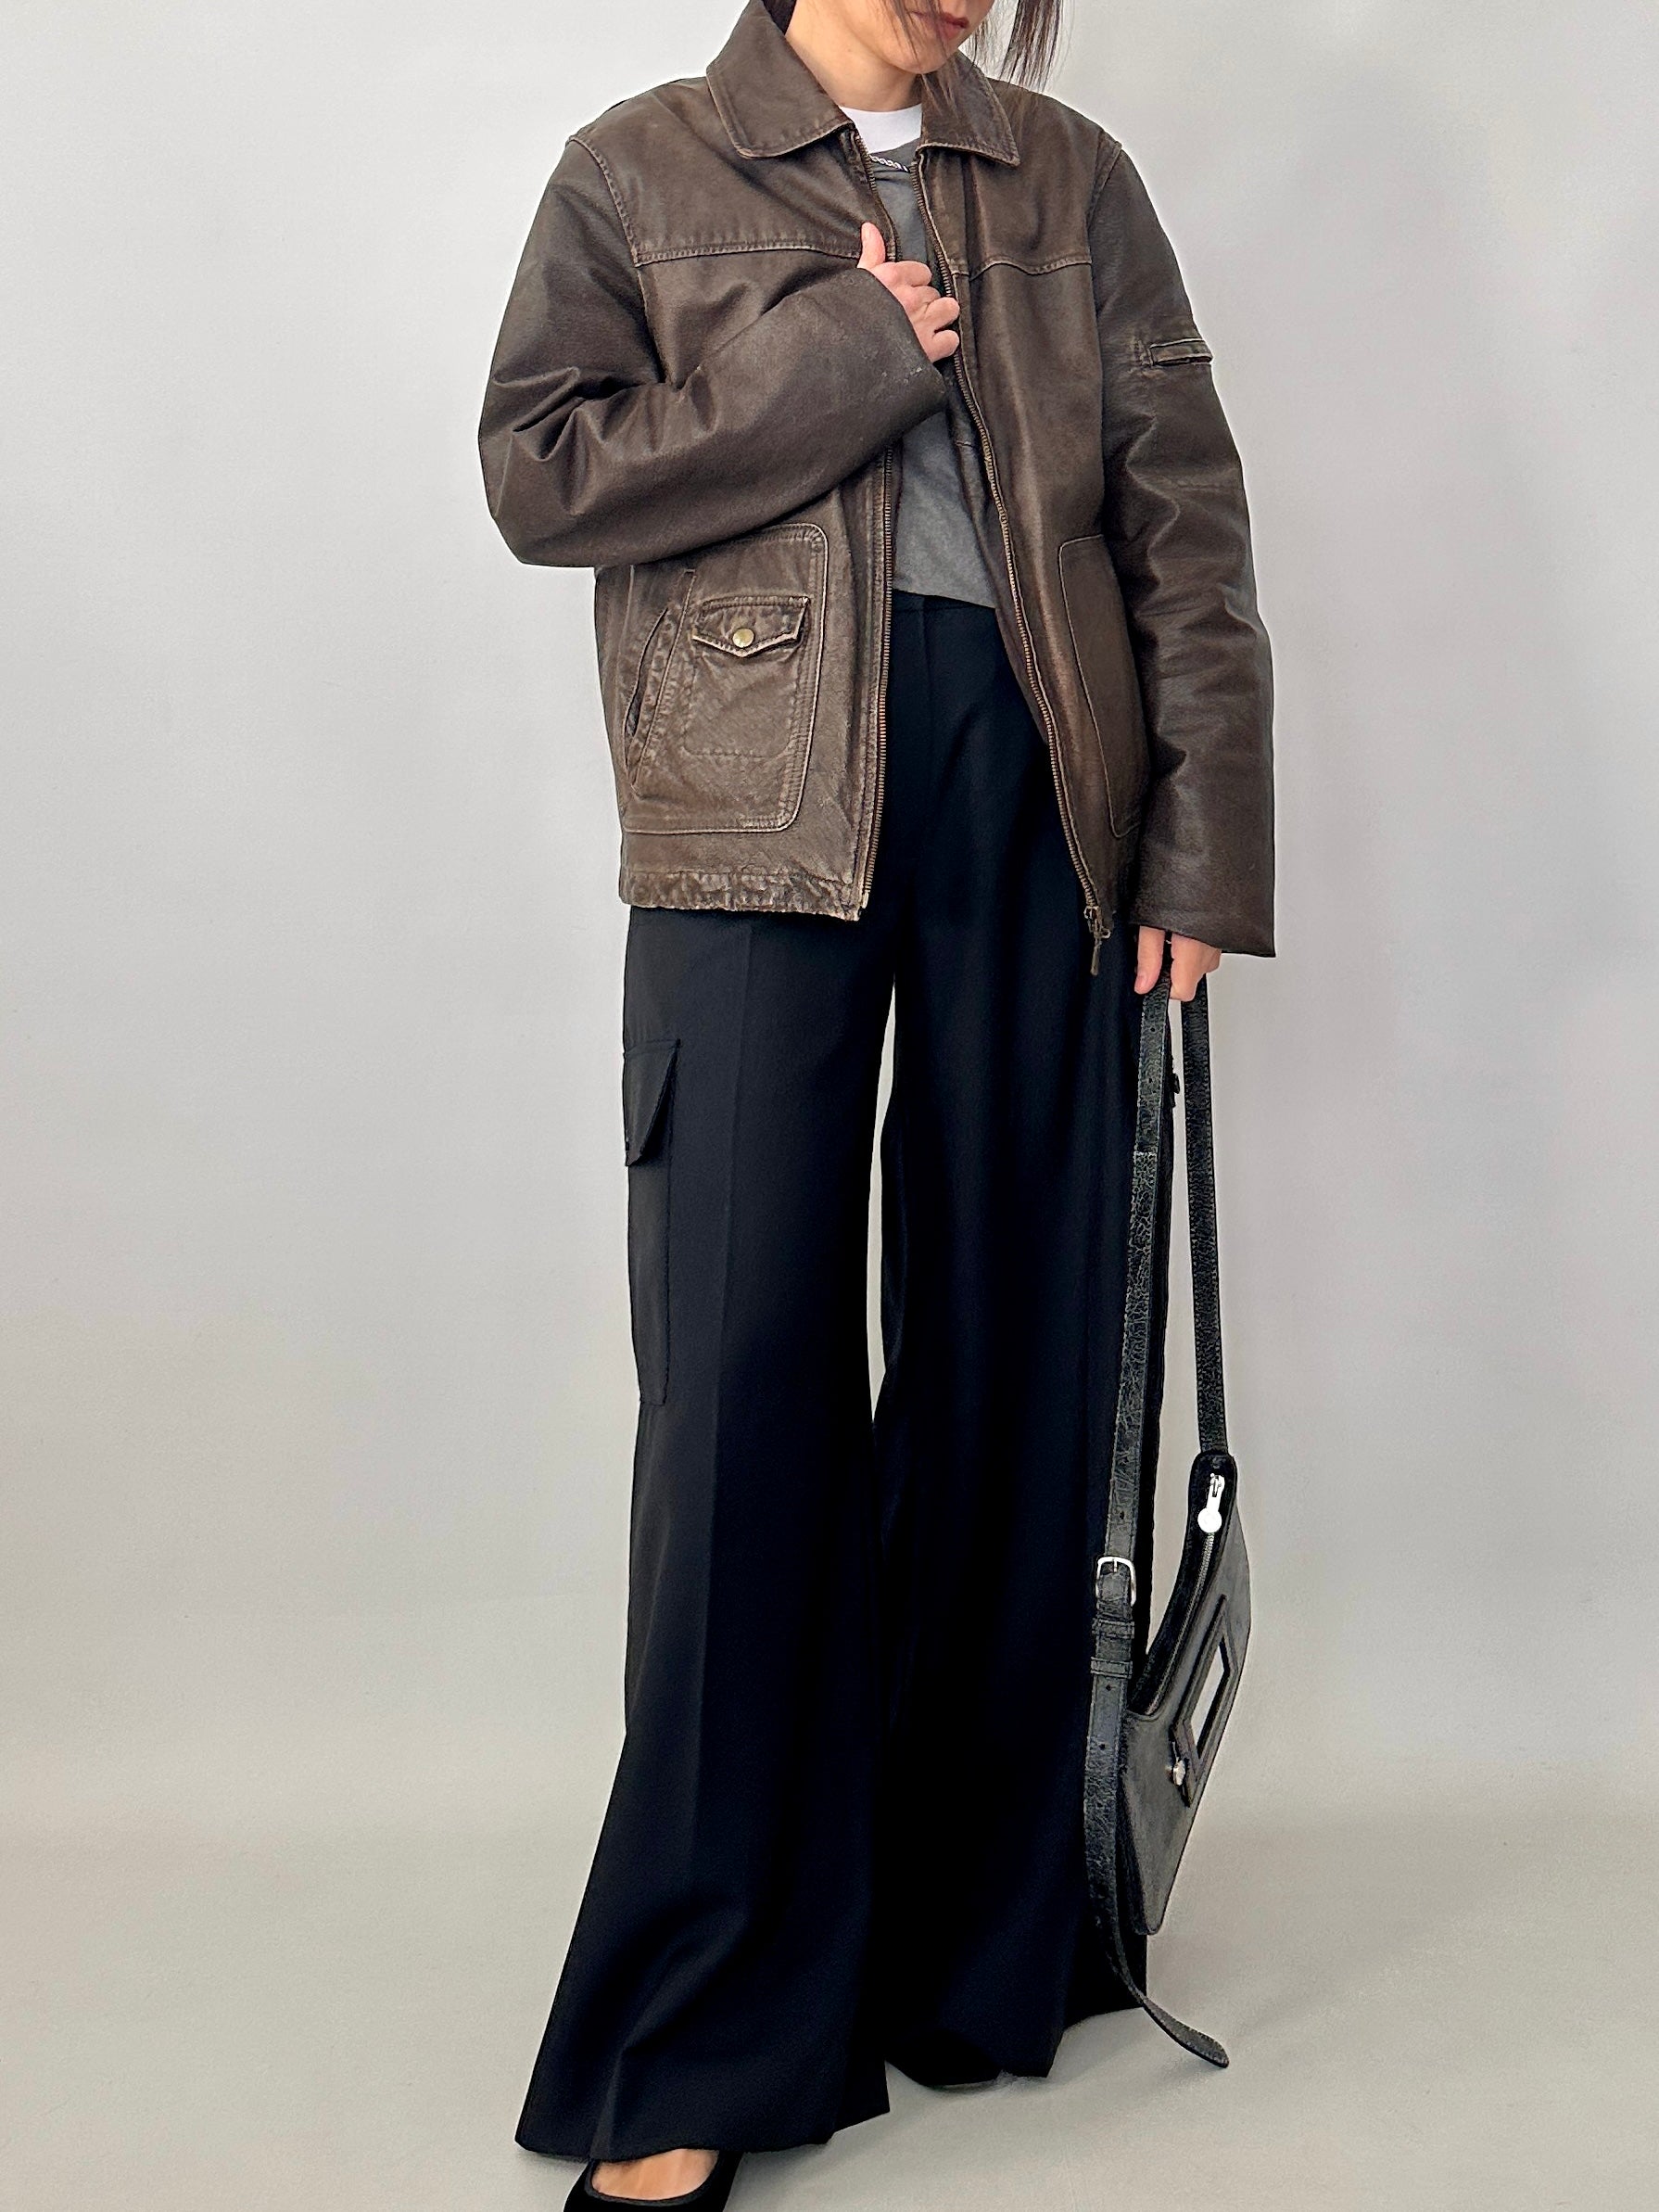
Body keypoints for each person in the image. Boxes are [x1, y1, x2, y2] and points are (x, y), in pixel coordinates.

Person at [477, 0, 1273, 2199]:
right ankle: (706, 2019)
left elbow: (1182, 523)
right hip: (749, 816)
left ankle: (973, 1940)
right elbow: (542, 473)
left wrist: (1197, 845)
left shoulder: (1067, 178)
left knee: (1022, 1361)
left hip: (1041, 797)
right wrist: (833, 353)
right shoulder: (644, 164)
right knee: (742, 1390)